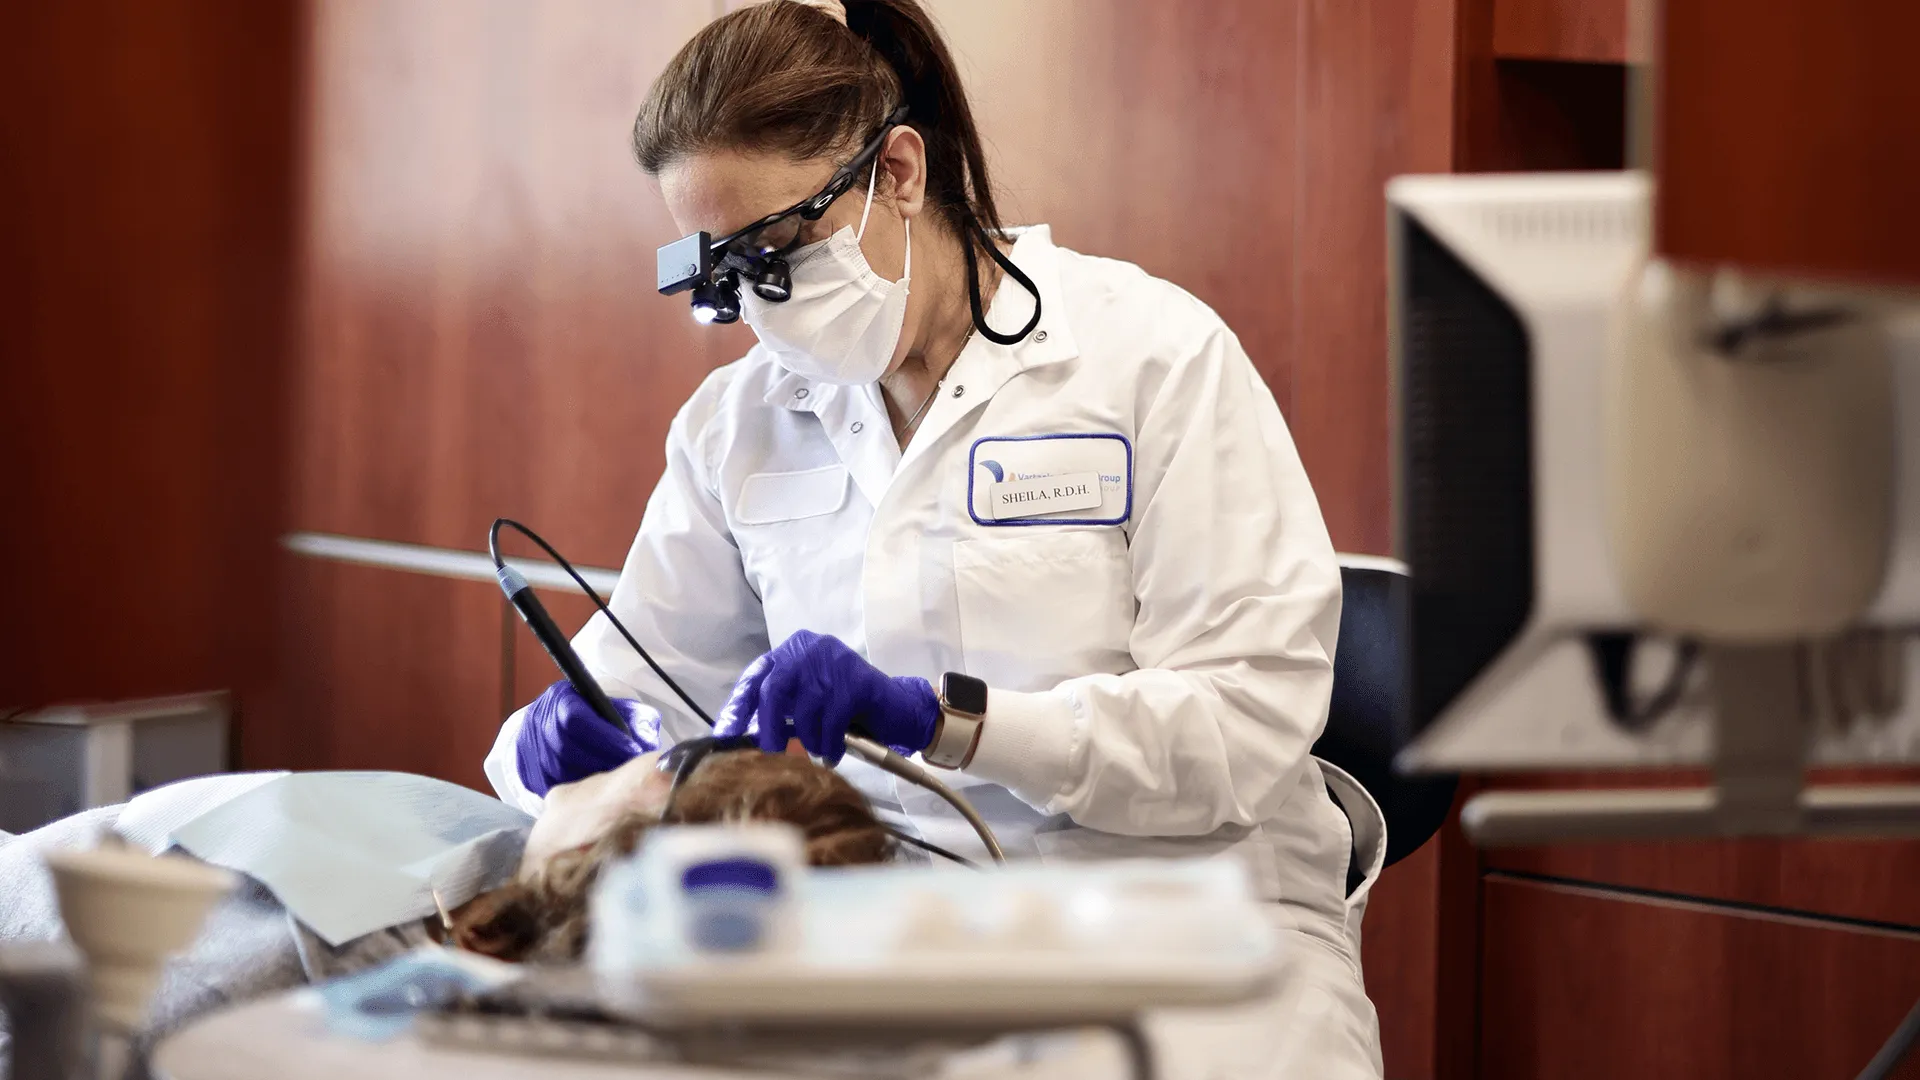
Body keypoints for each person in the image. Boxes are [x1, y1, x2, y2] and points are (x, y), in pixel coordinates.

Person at [483, 0, 1382, 1075]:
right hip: (878, 918)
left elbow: (1242, 726)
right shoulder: (741, 424)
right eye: (728, 276)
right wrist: (548, 747)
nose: (767, 309)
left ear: (898, 172)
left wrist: (942, 720)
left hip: (1171, 909)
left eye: (782, 251)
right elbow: (629, 682)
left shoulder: (1149, 358)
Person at [0, 751, 891, 1077]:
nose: (649, 742)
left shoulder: (247, 975)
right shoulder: (499, 866)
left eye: (681, 754)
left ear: (611, 851)